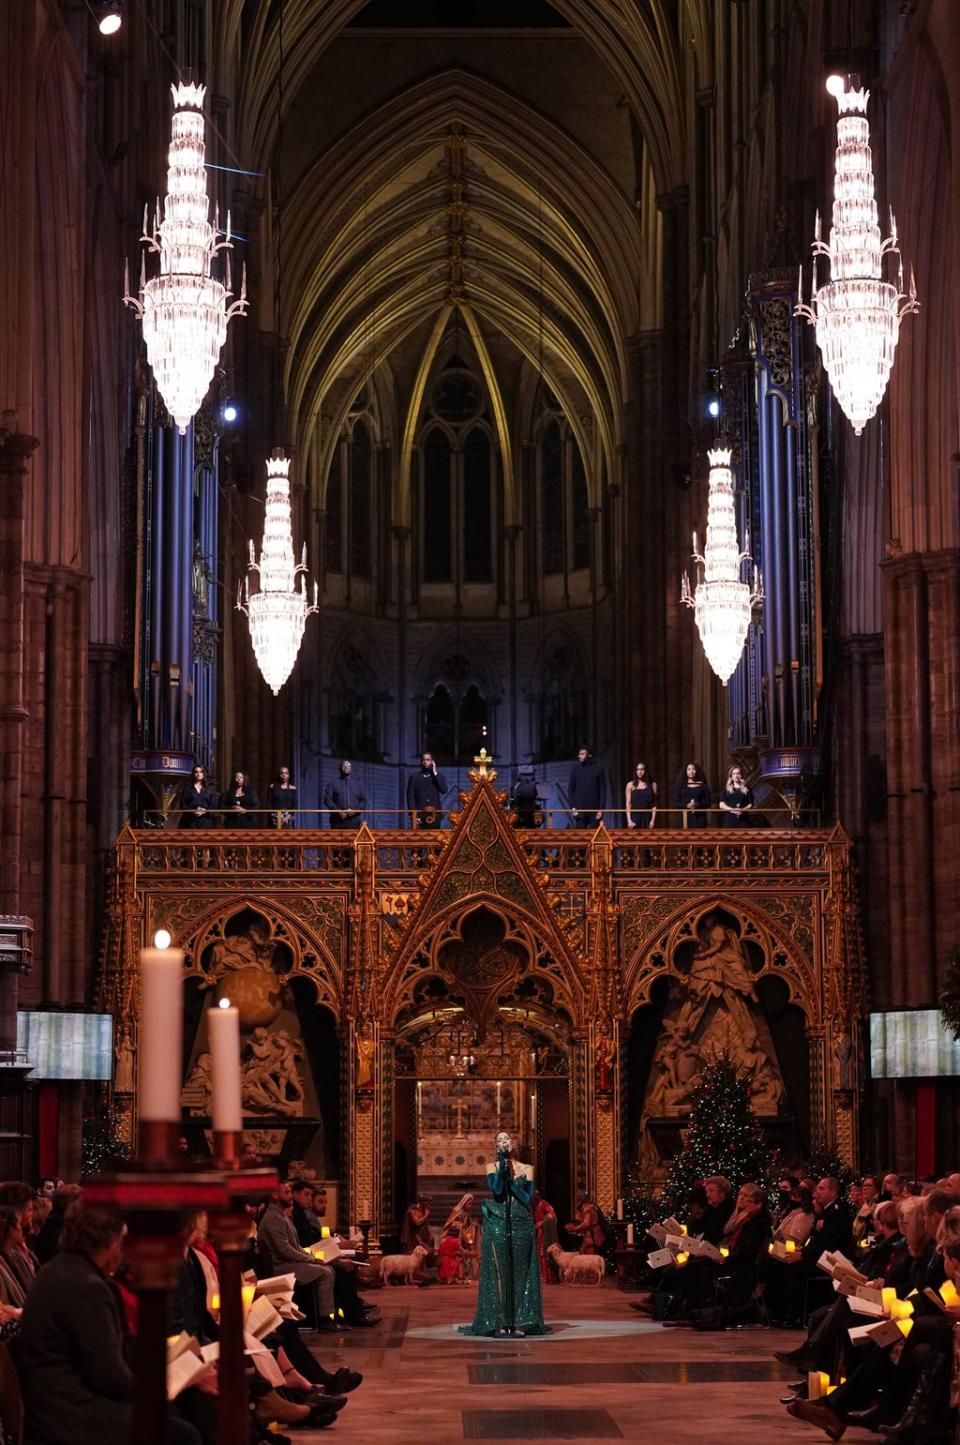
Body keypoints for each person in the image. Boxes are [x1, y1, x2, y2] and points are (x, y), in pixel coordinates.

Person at [18, 1202, 202, 1445]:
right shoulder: (86, 1286)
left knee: (178, 1413)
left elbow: (121, 1353)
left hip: (61, 1404)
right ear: (111, 1240)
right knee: (184, 1434)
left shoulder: (61, 1269)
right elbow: (109, 1376)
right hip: (71, 1417)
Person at [460, 1131, 547, 1336]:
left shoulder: (527, 1169)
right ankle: (499, 1320)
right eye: (499, 1140)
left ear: (512, 1143)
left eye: (506, 1139)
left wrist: (513, 1182)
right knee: (500, 1273)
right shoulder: (492, 1168)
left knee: (519, 1274)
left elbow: (526, 1199)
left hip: (522, 1223)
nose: (503, 1142)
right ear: (496, 1146)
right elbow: (497, 1191)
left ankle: (519, 1321)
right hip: (498, 1222)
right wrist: (503, 1172)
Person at [568, 746, 606, 828]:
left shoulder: (598, 769)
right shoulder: (575, 770)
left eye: (582, 754)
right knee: (581, 838)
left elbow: (603, 790)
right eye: (579, 754)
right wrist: (573, 807)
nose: (579, 756)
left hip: (594, 811)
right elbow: (571, 789)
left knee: (594, 837)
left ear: (589, 755)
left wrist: (601, 809)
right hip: (579, 811)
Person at [407, 753, 448, 828]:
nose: (425, 762)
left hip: (435, 815)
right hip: (420, 816)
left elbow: (444, 790)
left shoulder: (437, 776)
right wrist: (413, 815)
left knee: (434, 838)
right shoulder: (414, 777)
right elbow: (410, 797)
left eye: (428, 760)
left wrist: (435, 773)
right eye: (423, 760)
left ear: (432, 761)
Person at [325, 759, 366, 829]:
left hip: (354, 821)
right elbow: (327, 800)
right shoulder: (332, 784)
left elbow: (363, 801)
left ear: (351, 769)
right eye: (344, 766)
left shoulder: (359, 784)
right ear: (340, 768)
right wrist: (338, 812)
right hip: (337, 821)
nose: (346, 767)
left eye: (348, 766)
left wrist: (355, 811)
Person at [673, 761, 711, 828]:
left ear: (696, 771)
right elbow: (675, 803)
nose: (691, 771)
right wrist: (687, 805)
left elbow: (708, 803)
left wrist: (698, 804)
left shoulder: (703, 785)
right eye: (689, 769)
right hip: (684, 817)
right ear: (685, 771)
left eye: (693, 769)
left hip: (699, 817)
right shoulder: (680, 786)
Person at [179, 764, 218, 828]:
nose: (199, 774)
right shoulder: (187, 788)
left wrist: (204, 811)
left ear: (204, 774)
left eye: (201, 772)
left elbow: (213, 805)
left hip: (206, 821)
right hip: (190, 821)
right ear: (193, 774)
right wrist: (193, 811)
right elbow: (183, 805)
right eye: (196, 772)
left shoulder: (210, 788)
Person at [532, 1191, 559, 1284]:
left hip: (547, 1233)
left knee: (545, 1254)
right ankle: (543, 1276)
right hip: (540, 1234)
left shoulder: (545, 1205)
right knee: (540, 1255)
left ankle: (549, 1277)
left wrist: (541, 1223)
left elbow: (553, 1217)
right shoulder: (534, 1207)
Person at [625, 761, 657, 828]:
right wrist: (629, 820)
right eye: (638, 770)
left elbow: (654, 804)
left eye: (642, 769)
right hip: (635, 816)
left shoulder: (653, 785)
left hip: (647, 816)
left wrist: (653, 820)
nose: (640, 772)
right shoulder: (630, 785)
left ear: (645, 771)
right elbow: (628, 803)